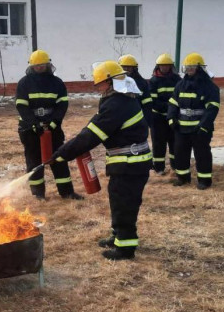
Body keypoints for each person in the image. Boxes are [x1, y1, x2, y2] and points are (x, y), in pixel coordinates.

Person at [52, 61, 151, 260]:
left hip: (130, 164)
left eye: (99, 84)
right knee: (118, 200)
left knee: (124, 203)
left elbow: (91, 135)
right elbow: (91, 127)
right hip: (127, 163)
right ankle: (118, 236)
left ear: (110, 82)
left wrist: (62, 155)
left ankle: (125, 248)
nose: (97, 88)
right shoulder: (117, 100)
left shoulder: (117, 104)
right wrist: (64, 150)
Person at [15, 50, 83, 200]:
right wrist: (34, 124)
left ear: (48, 65)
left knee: (59, 158)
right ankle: (38, 194)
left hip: (53, 127)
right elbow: (22, 107)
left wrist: (54, 122)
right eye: (36, 66)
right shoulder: (24, 83)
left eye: (42, 65)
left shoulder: (57, 83)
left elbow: (62, 105)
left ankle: (67, 192)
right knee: (34, 161)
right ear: (31, 66)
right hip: (29, 128)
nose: (39, 68)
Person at [167, 53, 220, 189]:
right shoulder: (180, 85)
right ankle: (183, 178)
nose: (189, 70)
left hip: (199, 129)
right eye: (187, 67)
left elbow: (212, 108)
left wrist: (204, 126)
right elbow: (173, 103)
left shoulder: (209, 86)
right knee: (180, 153)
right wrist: (171, 119)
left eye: (192, 67)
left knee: (202, 155)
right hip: (181, 128)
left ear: (199, 68)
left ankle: (204, 180)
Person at [148, 53, 181, 175]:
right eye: (162, 66)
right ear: (158, 66)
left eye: (167, 65)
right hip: (158, 118)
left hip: (173, 117)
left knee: (174, 142)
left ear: (171, 66)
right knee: (158, 143)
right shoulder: (153, 81)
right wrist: (170, 107)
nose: (165, 68)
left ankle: (175, 165)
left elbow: (180, 96)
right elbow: (153, 101)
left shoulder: (177, 80)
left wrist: (173, 110)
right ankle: (159, 168)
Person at [118, 54, 153, 126]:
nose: (126, 70)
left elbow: (147, 103)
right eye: (124, 67)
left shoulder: (141, 83)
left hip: (137, 119)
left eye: (129, 67)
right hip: (119, 119)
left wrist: (146, 121)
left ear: (134, 68)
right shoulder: (115, 82)